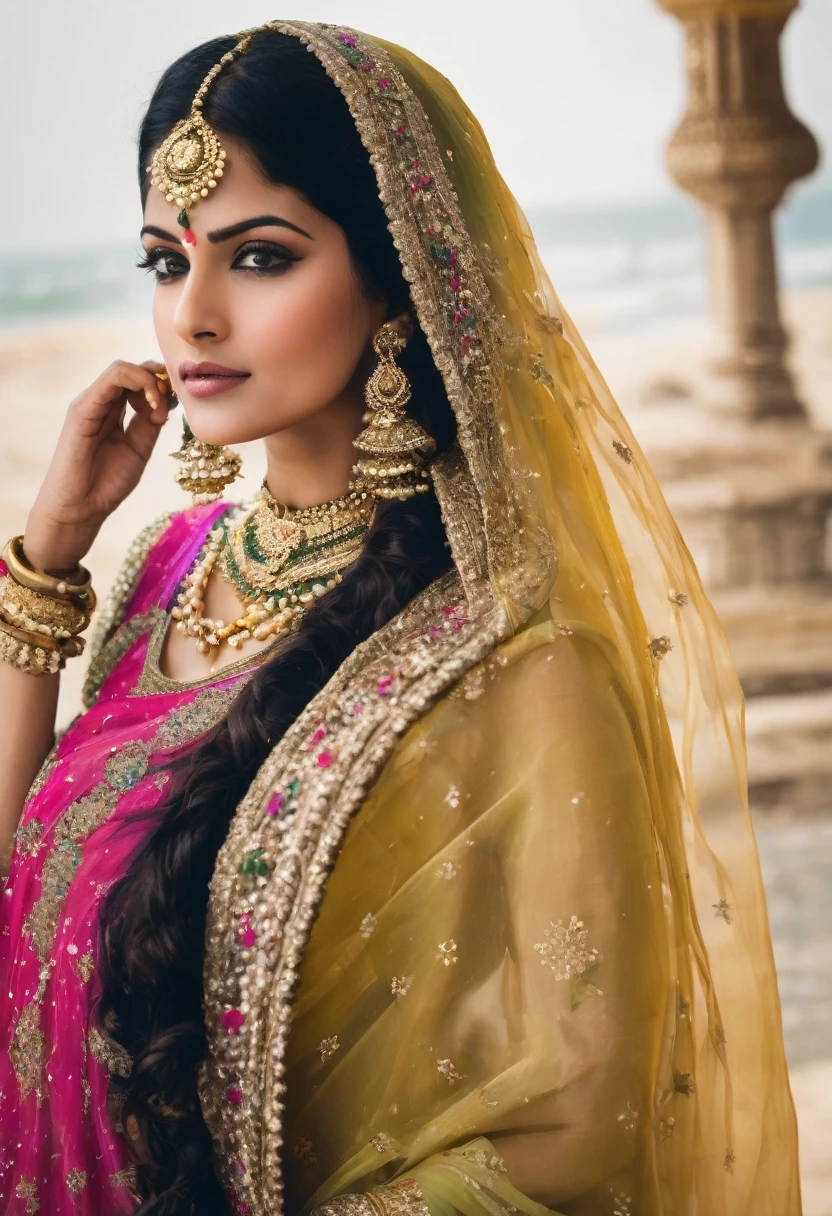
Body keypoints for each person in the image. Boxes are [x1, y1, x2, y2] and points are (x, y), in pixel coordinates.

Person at [0, 20, 801, 1216]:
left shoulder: (517, 659)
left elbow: (572, 1128)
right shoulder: (163, 571)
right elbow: (24, 918)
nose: (194, 316)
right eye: (166, 261)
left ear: (395, 273)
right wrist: (42, 574)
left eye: (259, 258)